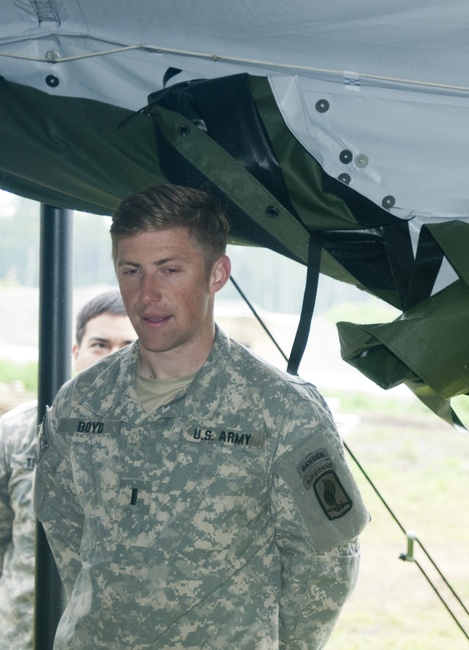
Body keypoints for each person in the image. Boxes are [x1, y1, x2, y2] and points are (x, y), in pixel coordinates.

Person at [33, 184, 368, 648]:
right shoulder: (80, 403)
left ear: (217, 274)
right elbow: (63, 526)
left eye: (169, 270)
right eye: (131, 271)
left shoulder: (280, 410)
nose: (147, 294)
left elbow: (325, 563)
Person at [0, 290, 135, 649]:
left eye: (127, 345)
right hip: (22, 637)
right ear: (75, 353)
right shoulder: (19, 432)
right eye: (100, 344)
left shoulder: (165, 444)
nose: (113, 358)